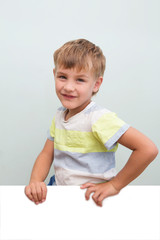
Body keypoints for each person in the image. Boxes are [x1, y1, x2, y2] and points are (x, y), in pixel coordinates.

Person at [25, 39, 158, 207]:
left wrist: (115, 185)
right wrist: (36, 180)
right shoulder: (59, 115)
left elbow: (148, 149)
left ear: (96, 84)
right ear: (54, 74)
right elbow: (46, 154)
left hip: (90, 198)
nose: (68, 87)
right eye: (63, 77)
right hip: (59, 189)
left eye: (80, 80)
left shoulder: (98, 118)